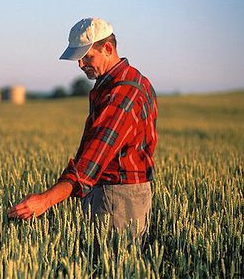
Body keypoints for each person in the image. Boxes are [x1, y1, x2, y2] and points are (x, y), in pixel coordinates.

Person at [8, 17, 157, 247]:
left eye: (87, 57)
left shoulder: (123, 92)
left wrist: (44, 201)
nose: (80, 65)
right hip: (117, 193)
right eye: (79, 58)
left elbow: (92, 162)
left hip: (118, 198)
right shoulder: (131, 81)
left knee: (114, 265)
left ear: (107, 48)